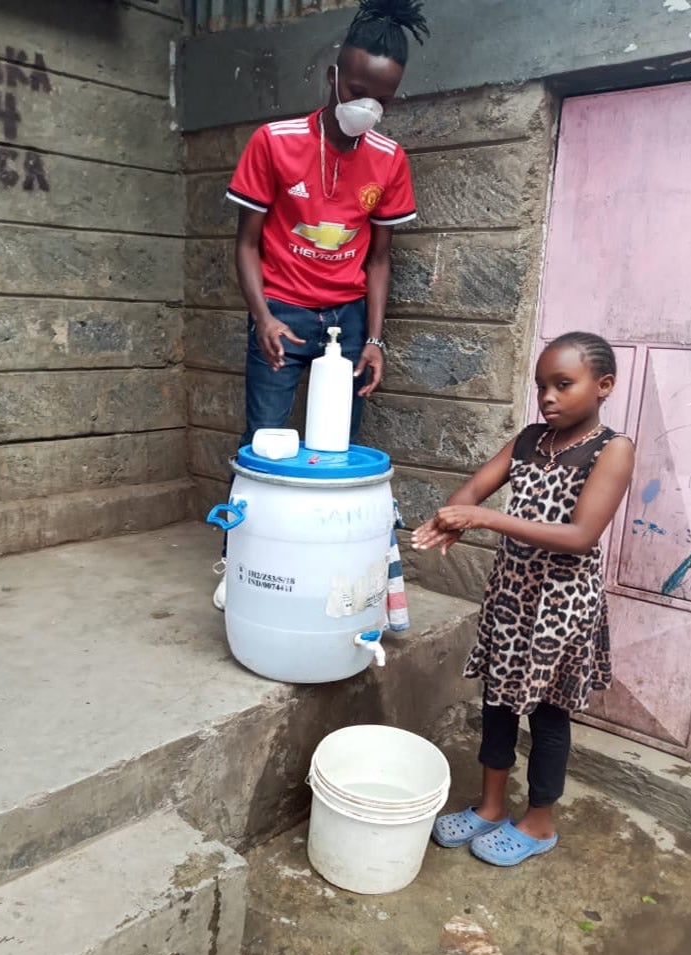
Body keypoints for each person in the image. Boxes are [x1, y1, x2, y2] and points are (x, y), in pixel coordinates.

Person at [214, 0, 430, 610]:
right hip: (282, 310)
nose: (367, 105)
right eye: (358, 89)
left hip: (349, 321)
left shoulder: (389, 159)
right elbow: (246, 243)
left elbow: (379, 259)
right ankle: (240, 565)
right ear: (333, 75)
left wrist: (375, 339)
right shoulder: (274, 143)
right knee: (262, 444)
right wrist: (263, 318)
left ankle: (323, 564)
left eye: (383, 97)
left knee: (337, 449)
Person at [412, 332, 635, 866]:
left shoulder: (613, 450)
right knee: (497, 703)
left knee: (549, 715)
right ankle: (490, 806)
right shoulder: (530, 439)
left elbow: (581, 535)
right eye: (541, 386)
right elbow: (469, 492)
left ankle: (538, 822)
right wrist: (455, 516)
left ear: (603, 386)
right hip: (512, 597)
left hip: (562, 606)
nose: (548, 397)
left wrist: (485, 517)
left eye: (563, 384)